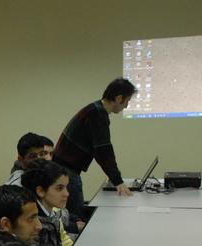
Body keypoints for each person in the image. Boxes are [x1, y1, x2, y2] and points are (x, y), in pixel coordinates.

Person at [53, 78, 138, 222]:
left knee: (74, 215)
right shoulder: (98, 114)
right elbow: (103, 151)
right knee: (77, 218)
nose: (127, 106)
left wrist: (114, 177)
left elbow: (102, 150)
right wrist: (118, 181)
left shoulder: (95, 109)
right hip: (67, 171)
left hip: (63, 167)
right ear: (119, 98)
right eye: (127, 101)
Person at [20, 160, 74, 246]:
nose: (66, 194)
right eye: (59, 188)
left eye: (66, 187)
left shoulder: (54, 211)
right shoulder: (34, 225)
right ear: (40, 191)